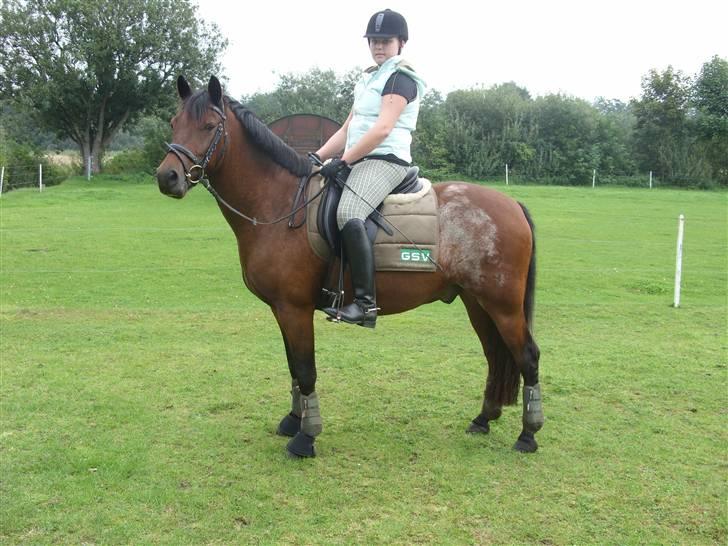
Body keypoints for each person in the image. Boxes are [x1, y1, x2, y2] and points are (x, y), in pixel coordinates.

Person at [314, 8, 426, 329]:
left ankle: (364, 303)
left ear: (400, 43)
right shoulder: (369, 77)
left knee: (349, 212)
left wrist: (343, 161)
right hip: (358, 158)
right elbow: (349, 128)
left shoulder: (400, 78)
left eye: (385, 41)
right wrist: (317, 157)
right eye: (374, 40)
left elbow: (381, 130)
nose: (378, 46)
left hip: (386, 161)